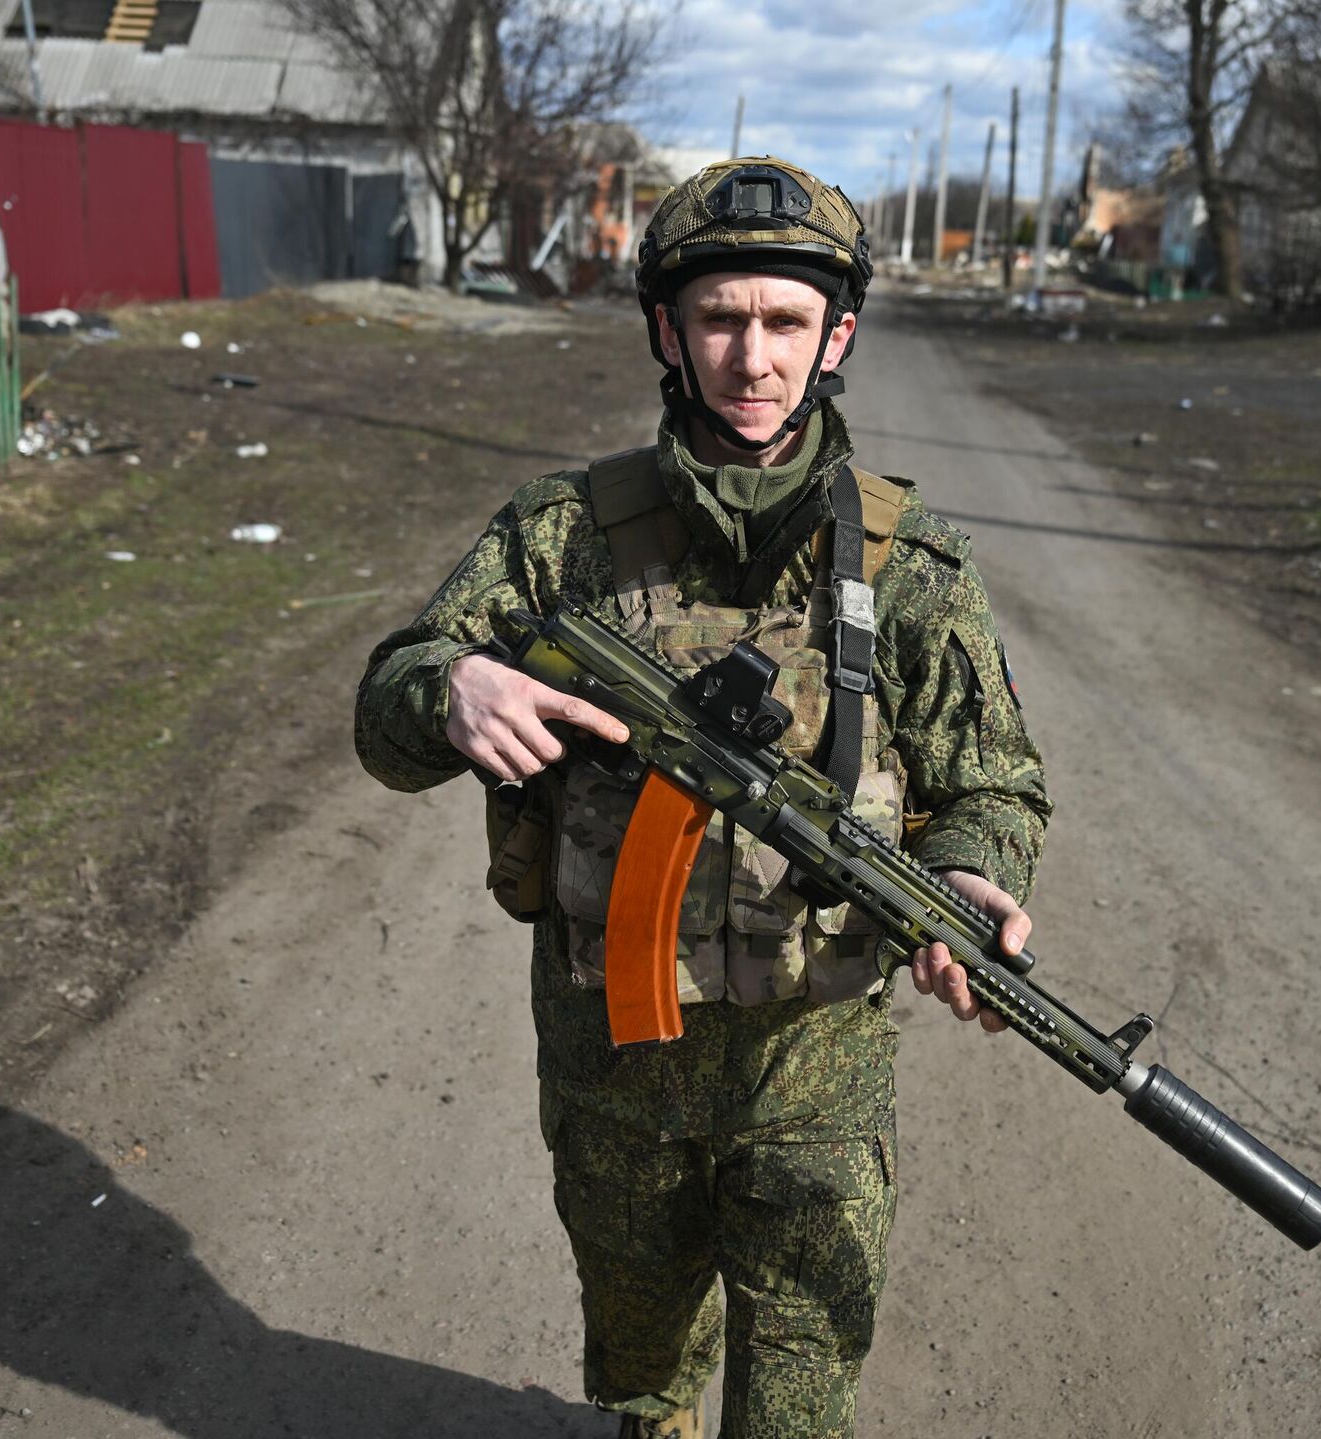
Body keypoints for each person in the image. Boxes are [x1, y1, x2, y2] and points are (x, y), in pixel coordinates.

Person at [354, 157, 1051, 1439]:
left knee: (799, 1404)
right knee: (644, 1373)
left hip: (817, 1077)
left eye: (786, 320)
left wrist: (971, 873)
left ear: (837, 335)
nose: (753, 357)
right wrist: (447, 686)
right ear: (668, 333)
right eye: (721, 318)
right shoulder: (560, 535)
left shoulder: (914, 566)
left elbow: (993, 783)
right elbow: (387, 718)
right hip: (615, 1070)